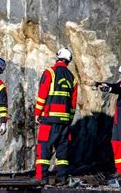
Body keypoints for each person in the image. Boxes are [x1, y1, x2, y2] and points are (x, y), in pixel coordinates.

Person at [35, 48, 78, 185]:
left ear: (58, 57)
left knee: (44, 149)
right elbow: (73, 102)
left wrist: (37, 113)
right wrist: (69, 119)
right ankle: (62, 178)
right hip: (64, 121)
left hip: (49, 119)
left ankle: (42, 179)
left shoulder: (50, 72)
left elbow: (43, 94)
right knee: (62, 152)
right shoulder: (72, 77)